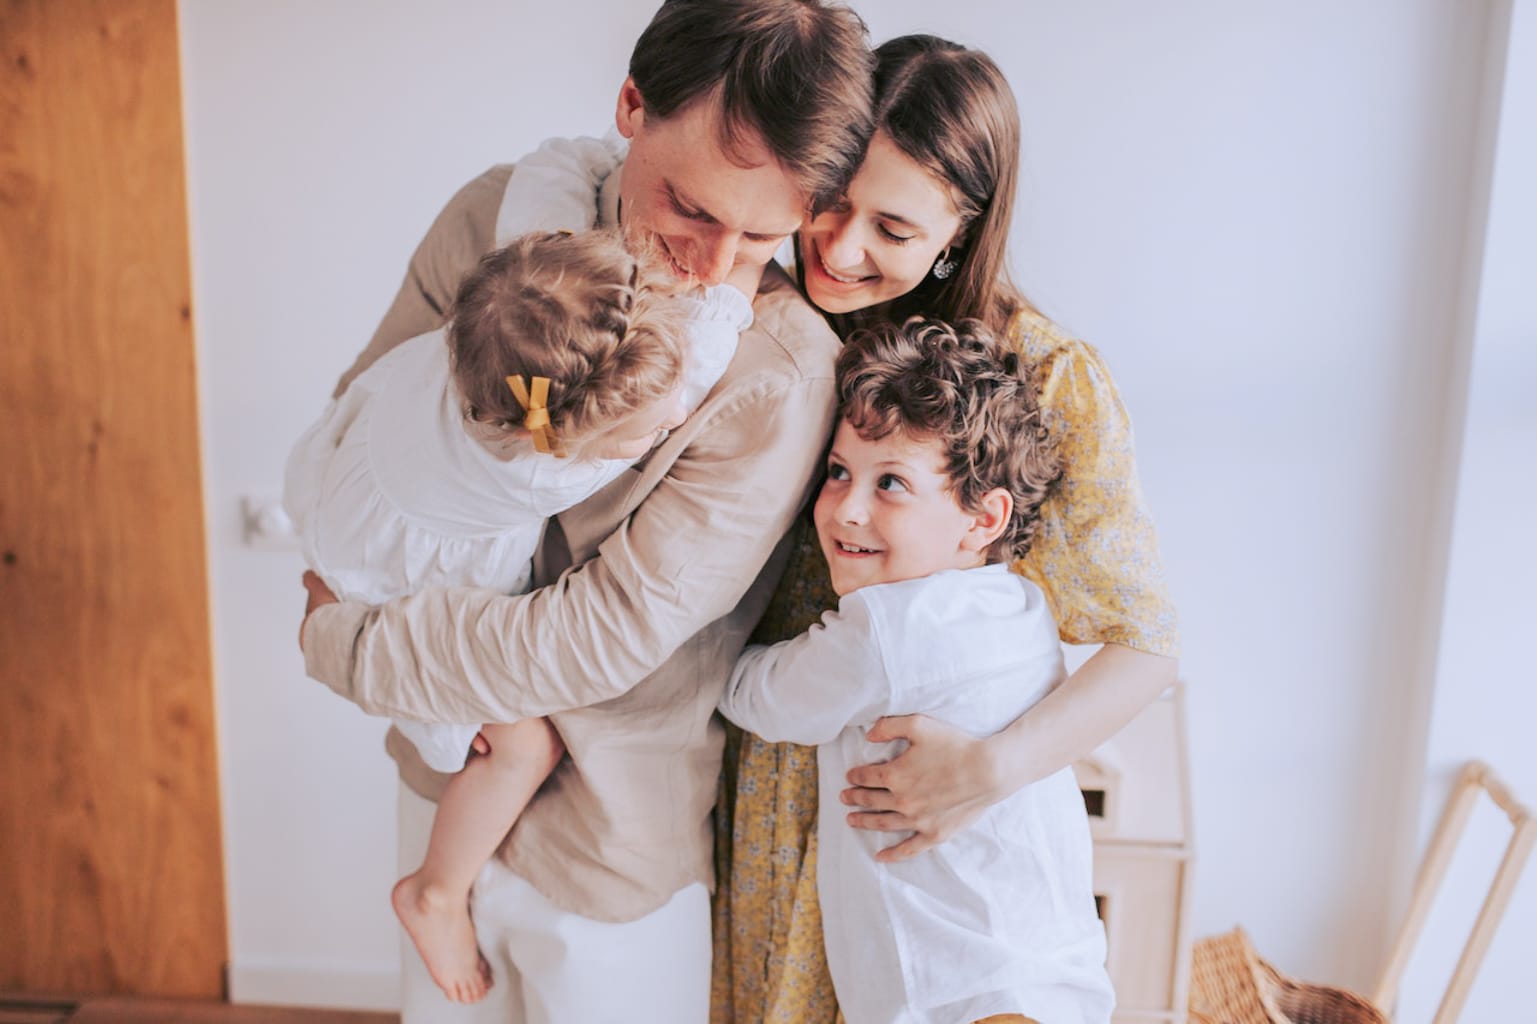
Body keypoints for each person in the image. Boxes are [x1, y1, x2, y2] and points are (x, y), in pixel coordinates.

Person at [297, 1, 876, 1021]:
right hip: (444, 793)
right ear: (629, 105)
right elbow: (366, 414)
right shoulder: (490, 218)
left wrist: (350, 644)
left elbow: (603, 633)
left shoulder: (777, 373)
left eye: (763, 234)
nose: (713, 263)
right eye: (689, 208)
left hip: (612, 847)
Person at [712, 34, 1180, 1023]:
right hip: (767, 796)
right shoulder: (757, 314)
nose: (838, 249)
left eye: (890, 224)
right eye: (829, 202)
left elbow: (1144, 647)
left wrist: (988, 771)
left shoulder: (1045, 380)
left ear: (961, 233)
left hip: (932, 827)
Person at [284, 227, 751, 1005]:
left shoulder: (473, 345)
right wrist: (734, 284)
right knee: (518, 745)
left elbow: (549, 195)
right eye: (649, 431)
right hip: (386, 570)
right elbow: (695, 368)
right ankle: (434, 890)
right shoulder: (537, 470)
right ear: (565, 443)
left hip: (344, 497)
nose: (670, 425)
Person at [719, 318, 1115, 1024]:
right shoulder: (1020, 606)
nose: (848, 508)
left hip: (954, 989)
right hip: (1049, 967)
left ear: (980, 519)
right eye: (838, 472)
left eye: (891, 482)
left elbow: (758, 697)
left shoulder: (890, 630)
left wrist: (711, 635)